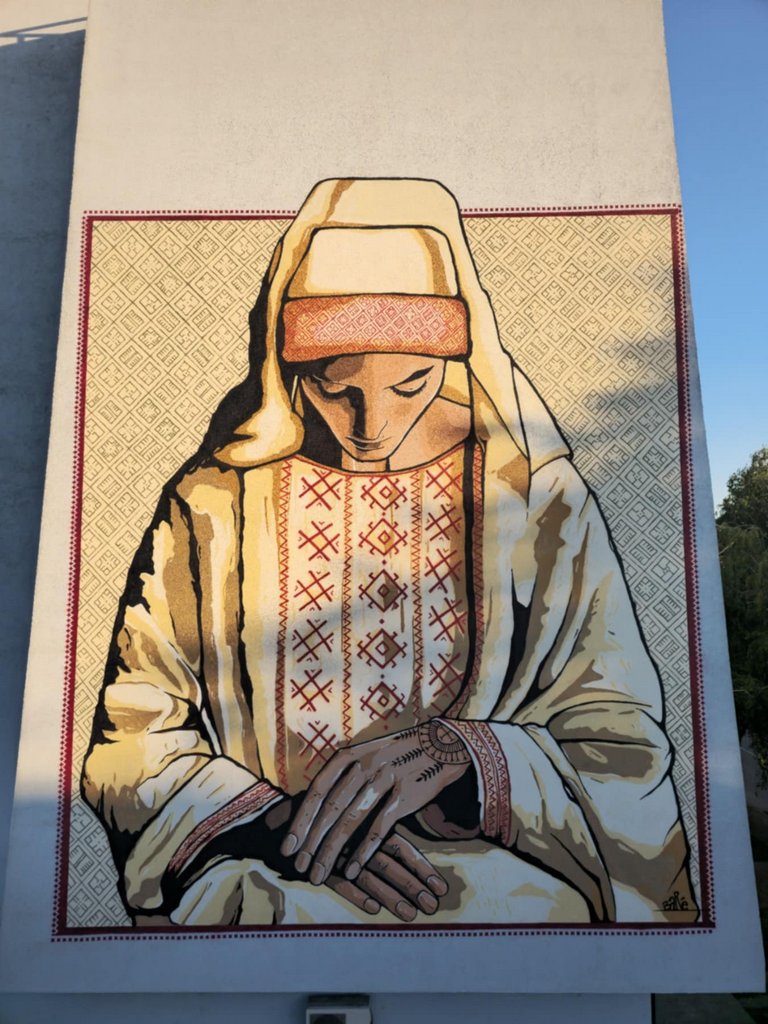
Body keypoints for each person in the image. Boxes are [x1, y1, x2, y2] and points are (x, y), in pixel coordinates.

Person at [82, 177, 697, 927]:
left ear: (454, 356)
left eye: (411, 383)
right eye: (334, 387)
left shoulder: (536, 496)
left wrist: (470, 758)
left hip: (511, 894)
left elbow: (616, 733)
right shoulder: (216, 503)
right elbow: (135, 735)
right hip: (264, 885)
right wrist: (272, 822)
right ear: (289, 367)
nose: (372, 425)